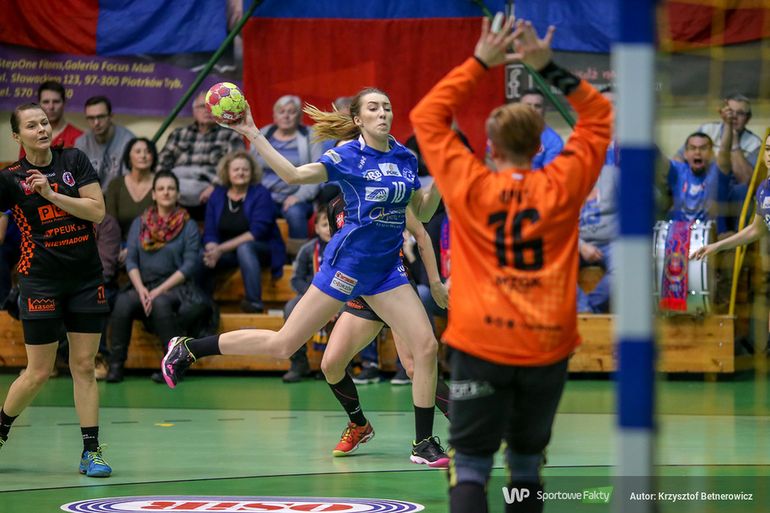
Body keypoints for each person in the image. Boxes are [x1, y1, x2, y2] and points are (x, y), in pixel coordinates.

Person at [161, 86, 449, 467]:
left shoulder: (404, 158)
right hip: (346, 268)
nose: (383, 113)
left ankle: (423, 443)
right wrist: (252, 133)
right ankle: (190, 348)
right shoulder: (348, 156)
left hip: (386, 273)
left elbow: (423, 214)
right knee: (284, 344)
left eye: (387, 107)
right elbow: (295, 175)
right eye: (373, 108)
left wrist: (442, 178)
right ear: (358, 119)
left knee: (426, 347)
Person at [410, 17, 612, 512]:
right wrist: (547, 67)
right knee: (525, 462)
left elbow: (427, 117)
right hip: (546, 344)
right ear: (540, 145)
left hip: (481, 342)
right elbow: (599, 114)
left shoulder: (470, 184)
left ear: (491, 148)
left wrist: (481, 60)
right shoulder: (561, 185)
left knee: (471, 463)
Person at [0, 102, 112, 477]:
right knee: (38, 372)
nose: (42, 130)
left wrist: (51, 194)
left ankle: (91, 452)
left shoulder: (73, 160)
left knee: (84, 366)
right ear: (17, 136)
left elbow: (97, 211)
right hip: (41, 280)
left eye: (45, 123)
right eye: (32, 126)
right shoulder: (10, 179)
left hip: (85, 279)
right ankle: (1, 430)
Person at [320, 199, 451, 460]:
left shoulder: (388, 193)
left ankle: (465, 429)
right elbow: (339, 254)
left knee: (414, 365)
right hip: (361, 293)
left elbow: (421, 228)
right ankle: (359, 425)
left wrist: (435, 283)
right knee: (330, 365)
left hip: (394, 287)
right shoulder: (335, 205)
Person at [106, 171, 209, 383]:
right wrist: (141, 289)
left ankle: (173, 365)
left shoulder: (188, 225)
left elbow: (189, 265)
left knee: (160, 302)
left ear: (178, 194)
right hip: (143, 284)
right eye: (161, 188)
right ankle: (115, 365)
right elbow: (131, 260)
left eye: (171, 188)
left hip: (177, 287)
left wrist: (157, 292)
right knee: (123, 302)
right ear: (153, 194)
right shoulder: (140, 223)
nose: (166, 192)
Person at [202, 150, 286, 313]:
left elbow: (257, 233)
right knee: (201, 255)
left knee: (244, 248)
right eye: (236, 169)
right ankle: (203, 304)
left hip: (261, 248)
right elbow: (210, 230)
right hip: (227, 251)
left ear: (252, 172)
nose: (240, 173)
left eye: (245, 169)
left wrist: (220, 249)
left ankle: (254, 303)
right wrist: (212, 248)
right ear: (227, 172)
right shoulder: (217, 194)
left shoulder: (261, 193)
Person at [157, 91, 246, 220]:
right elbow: (162, 163)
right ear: (194, 111)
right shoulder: (178, 134)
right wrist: (167, 186)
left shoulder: (231, 136)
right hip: (177, 189)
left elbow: (238, 167)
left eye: (212, 107)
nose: (207, 111)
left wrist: (215, 187)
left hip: (212, 190)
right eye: (202, 107)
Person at [253, 95, 324, 239]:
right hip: (265, 196)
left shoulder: (310, 135)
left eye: (291, 112)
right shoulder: (264, 133)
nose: (286, 116)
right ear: (275, 116)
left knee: (295, 214)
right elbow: (251, 167)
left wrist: (298, 196)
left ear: (299, 116)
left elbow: (318, 171)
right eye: (282, 112)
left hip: (297, 197)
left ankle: (299, 252)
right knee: (256, 213)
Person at [282, 207, 332, 383]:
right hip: (310, 296)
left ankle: (339, 364)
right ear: (316, 228)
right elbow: (296, 279)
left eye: (332, 224)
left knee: (345, 312)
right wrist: (313, 296)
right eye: (324, 225)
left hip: (339, 297)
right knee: (290, 308)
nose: (329, 229)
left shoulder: (345, 247)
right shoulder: (307, 250)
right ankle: (299, 363)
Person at [105, 137, 157, 263]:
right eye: (138, 151)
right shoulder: (116, 185)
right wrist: (115, 248)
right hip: (119, 245)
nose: (143, 156)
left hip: (152, 244)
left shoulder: (161, 184)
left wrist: (132, 249)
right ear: (129, 157)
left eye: (148, 152)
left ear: (153, 157)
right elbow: (110, 224)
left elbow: (160, 225)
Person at [75, 96, 135, 191]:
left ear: (111, 116)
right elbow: (79, 181)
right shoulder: (82, 143)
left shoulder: (128, 141)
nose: (96, 123)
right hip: (91, 197)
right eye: (91, 118)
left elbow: (130, 182)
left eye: (101, 117)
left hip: (118, 195)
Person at [19, 81, 83, 159]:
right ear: (39, 105)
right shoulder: (29, 136)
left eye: (56, 102)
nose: (51, 107)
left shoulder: (79, 137)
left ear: (64, 103)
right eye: (46, 102)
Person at [518, 88, 564, 168]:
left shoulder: (554, 141)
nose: (532, 110)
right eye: (527, 105)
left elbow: (550, 173)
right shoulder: (504, 132)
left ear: (544, 110)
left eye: (537, 106)